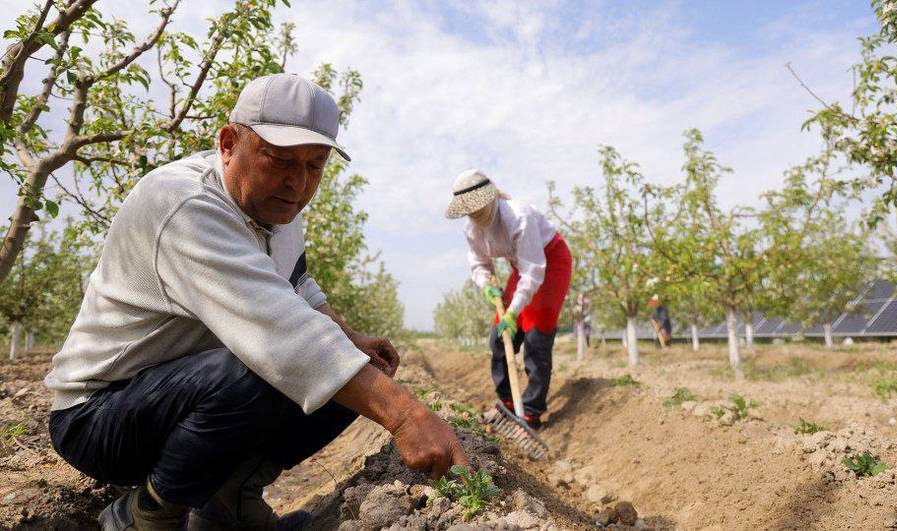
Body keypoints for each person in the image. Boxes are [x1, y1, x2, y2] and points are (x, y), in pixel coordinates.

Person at [44, 73, 468, 531]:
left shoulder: (277, 209)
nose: (298, 183)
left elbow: (296, 289)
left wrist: (351, 338)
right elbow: (282, 333)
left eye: (315, 166)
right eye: (280, 160)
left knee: (348, 363)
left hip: (182, 397)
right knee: (273, 365)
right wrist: (406, 416)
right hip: (99, 415)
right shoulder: (184, 205)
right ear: (229, 144)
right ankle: (145, 515)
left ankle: (229, 500)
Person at [446, 169, 572, 430]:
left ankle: (531, 414)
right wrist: (487, 286)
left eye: (479, 206)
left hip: (549, 263)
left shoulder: (519, 216)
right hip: (521, 268)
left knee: (536, 339)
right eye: (470, 209)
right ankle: (507, 403)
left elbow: (533, 271)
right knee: (498, 338)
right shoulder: (472, 229)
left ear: (491, 197)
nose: (475, 213)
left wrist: (514, 311)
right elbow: (479, 263)